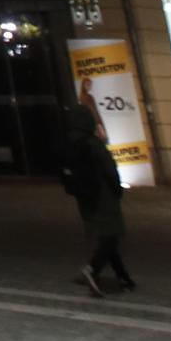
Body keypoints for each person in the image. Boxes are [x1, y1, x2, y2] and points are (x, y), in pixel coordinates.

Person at [62, 118, 134, 295]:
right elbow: (110, 170)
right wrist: (117, 190)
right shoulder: (94, 145)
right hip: (103, 196)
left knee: (107, 237)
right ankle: (92, 269)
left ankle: (123, 278)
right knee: (111, 236)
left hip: (85, 197)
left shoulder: (71, 144)